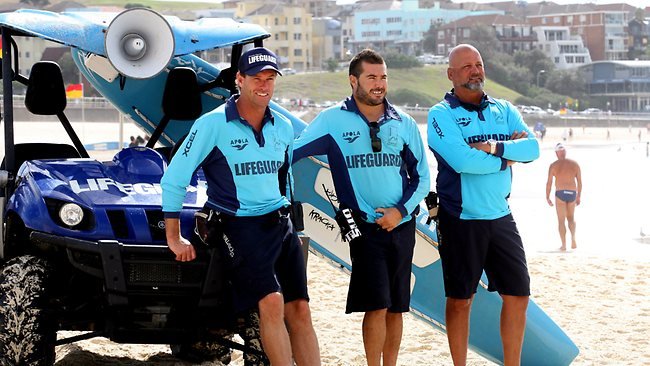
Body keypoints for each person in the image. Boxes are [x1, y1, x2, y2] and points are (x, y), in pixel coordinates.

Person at [160, 47, 320, 366]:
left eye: (270, 78)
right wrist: (174, 237)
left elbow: (284, 179)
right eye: (256, 78)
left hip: (280, 224)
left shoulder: (284, 127)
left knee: (300, 309)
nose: (264, 85)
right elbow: (174, 178)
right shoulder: (213, 124)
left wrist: (293, 219)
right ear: (239, 79)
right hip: (237, 224)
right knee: (272, 302)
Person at [293, 49, 430, 366]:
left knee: (397, 306)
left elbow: (422, 178)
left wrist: (399, 212)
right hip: (363, 227)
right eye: (372, 77)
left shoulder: (403, 123)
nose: (379, 84)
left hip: (401, 224)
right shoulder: (332, 120)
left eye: (383, 77)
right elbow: (291, 152)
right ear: (353, 80)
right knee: (377, 303)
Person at [427, 44, 540, 365]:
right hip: (459, 218)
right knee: (461, 300)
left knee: (518, 296)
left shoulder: (503, 109)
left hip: (501, 216)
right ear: (451, 75)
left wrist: (491, 147)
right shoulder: (440, 115)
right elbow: (462, 161)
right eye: (466, 67)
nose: (475, 70)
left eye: (478, 64)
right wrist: (507, 157)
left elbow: (532, 149)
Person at [546, 143, 582, 250]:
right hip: (572, 193)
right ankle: (573, 239)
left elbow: (549, 183)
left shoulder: (553, 165)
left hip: (560, 193)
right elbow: (580, 182)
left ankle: (564, 245)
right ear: (565, 152)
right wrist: (579, 195)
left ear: (557, 153)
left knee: (561, 220)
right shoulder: (575, 164)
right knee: (571, 218)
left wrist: (547, 197)